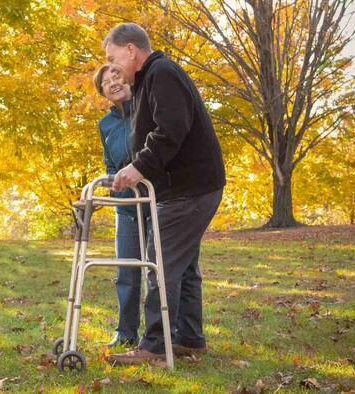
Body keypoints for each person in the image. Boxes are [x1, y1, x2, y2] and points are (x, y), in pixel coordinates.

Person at [103, 22, 226, 364]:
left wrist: (137, 167)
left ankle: (155, 346)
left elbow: (171, 130)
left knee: (159, 261)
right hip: (186, 188)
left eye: (114, 59)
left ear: (131, 50)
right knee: (184, 267)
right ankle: (189, 338)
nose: (113, 69)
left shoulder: (163, 73)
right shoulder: (148, 81)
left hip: (191, 188)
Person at [92, 63, 150, 348]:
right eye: (105, 82)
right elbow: (110, 164)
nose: (113, 82)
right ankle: (126, 333)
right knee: (126, 271)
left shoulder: (146, 108)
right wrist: (111, 180)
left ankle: (159, 334)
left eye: (116, 76)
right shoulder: (106, 124)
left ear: (127, 79)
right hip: (126, 208)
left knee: (157, 270)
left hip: (154, 203)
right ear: (103, 93)